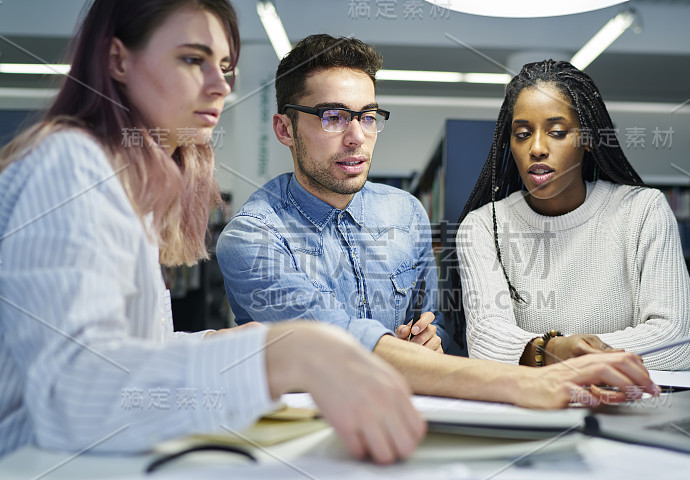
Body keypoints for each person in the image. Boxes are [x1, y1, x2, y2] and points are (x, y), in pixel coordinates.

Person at [0, 0, 426, 465]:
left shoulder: (128, 188)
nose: (220, 85)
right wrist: (280, 353)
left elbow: (135, 352)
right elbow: (72, 393)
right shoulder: (72, 166)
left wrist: (220, 343)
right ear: (117, 60)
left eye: (225, 67)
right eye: (191, 59)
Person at [216, 34, 662, 410]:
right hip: (311, 432)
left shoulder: (405, 212)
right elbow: (338, 341)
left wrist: (431, 344)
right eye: (333, 117)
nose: (357, 137)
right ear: (284, 129)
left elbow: (442, 329)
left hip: (416, 414)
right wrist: (528, 379)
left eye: (368, 117)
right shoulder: (251, 239)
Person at [455, 60, 690, 371]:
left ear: (589, 139)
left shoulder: (644, 211)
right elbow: (487, 341)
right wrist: (558, 349)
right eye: (523, 133)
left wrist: (554, 353)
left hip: (626, 410)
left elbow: (675, 341)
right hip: (532, 410)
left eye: (556, 132)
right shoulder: (483, 227)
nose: (537, 147)